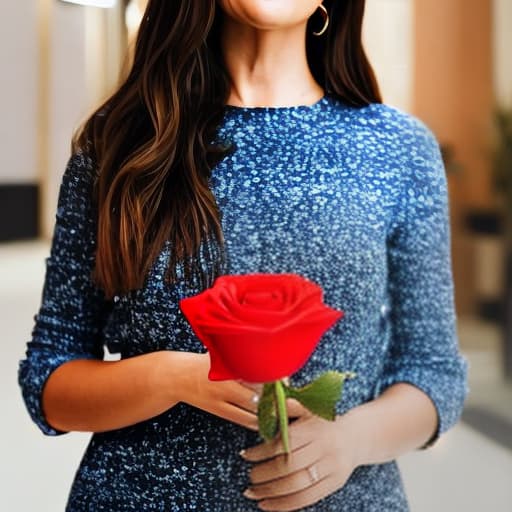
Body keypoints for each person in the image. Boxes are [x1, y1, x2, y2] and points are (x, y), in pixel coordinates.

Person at [18, 1, 468, 510]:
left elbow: (434, 374)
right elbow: (49, 380)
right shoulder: (119, 144)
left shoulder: (398, 149)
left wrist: (350, 440)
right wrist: (174, 377)